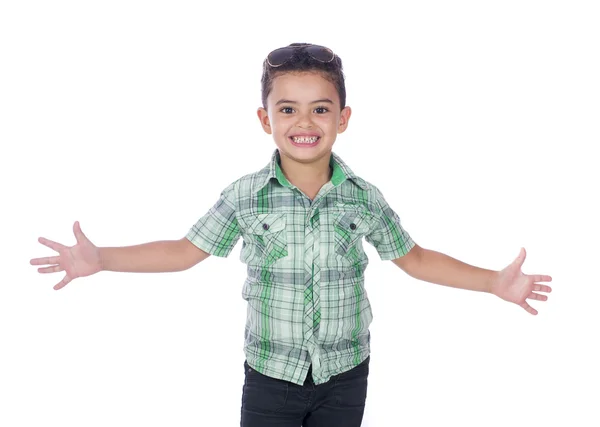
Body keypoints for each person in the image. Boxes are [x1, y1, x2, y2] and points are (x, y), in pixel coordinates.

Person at [30, 43, 553, 427]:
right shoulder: (245, 195)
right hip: (269, 375)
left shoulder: (363, 196)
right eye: (288, 109)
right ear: (266, 119)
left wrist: (492, 283)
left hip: (346, 374)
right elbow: (184, 251)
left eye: (320, 108)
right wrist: (100, 257)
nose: (305, 121)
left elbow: (413, 259)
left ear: (342, 118)